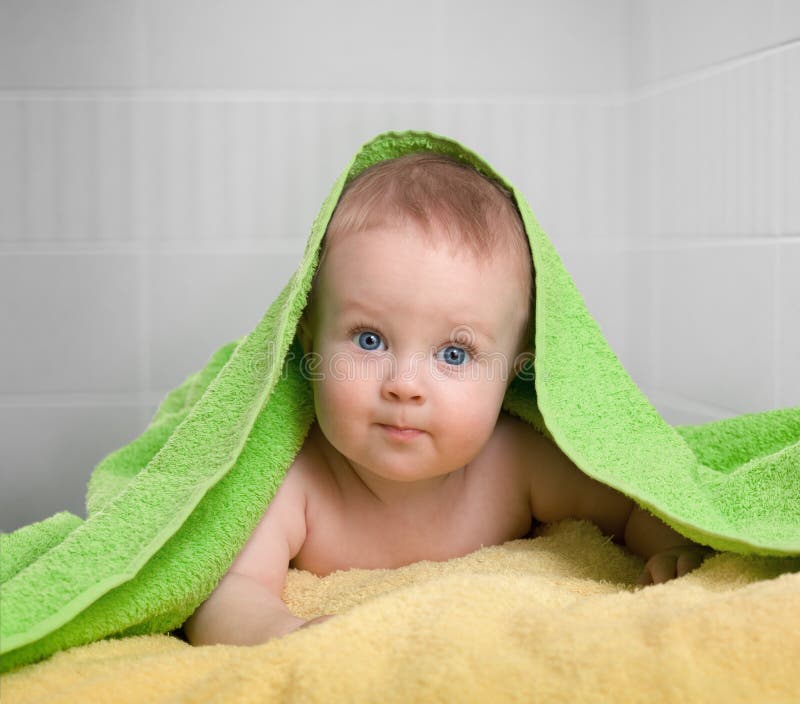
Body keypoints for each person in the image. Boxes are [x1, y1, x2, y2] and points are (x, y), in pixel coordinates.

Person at [183, 152, 710, 646]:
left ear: (516, 369)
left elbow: (634, 503)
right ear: (307, 337)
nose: (404, 384)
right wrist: (284, 634)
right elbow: (226, 592)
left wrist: (672, 550)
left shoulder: (514, 462)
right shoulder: (296, 480)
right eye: (370, 339)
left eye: (455, 354)